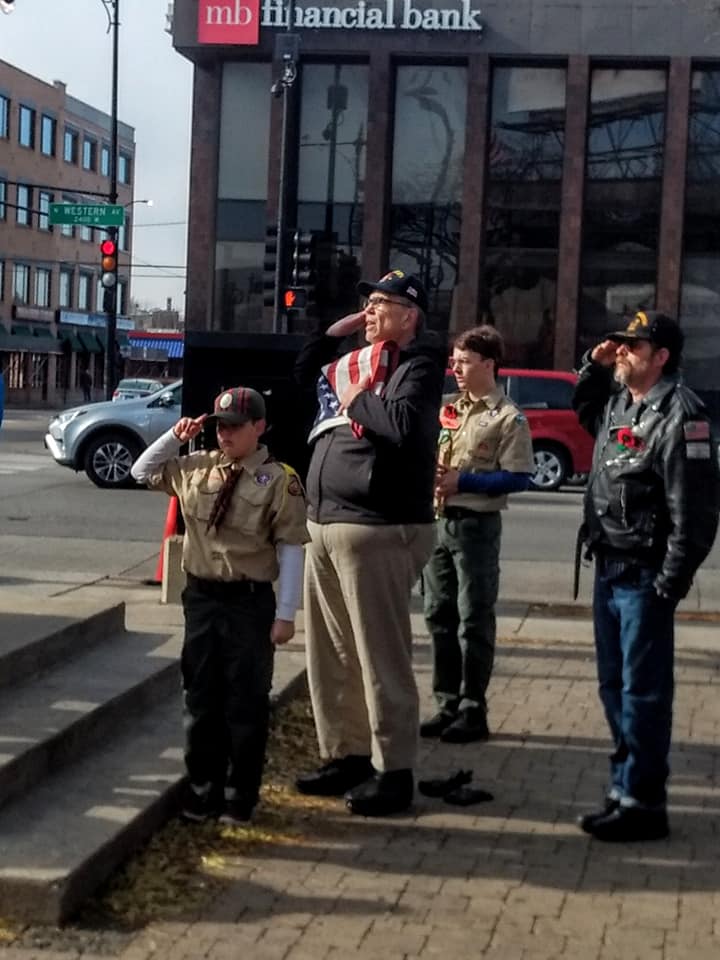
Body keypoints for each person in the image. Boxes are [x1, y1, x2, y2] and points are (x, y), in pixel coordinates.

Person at [294, 269, 446, 817]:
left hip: (379, 526)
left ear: (410, 316)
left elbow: (400, 424)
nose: (372, 312)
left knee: (380, 656)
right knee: (332, 654)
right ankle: (347, 754)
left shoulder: (419, 364)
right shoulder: (354, 361)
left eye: (383, 304)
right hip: (325, 522)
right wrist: (330, 335)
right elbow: (303, 377)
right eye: (370, 303)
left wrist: (357, 396)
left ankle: (394, 770)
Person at [573, 310, 720, 842]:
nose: (621, 352)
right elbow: (585, 408)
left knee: (644, 694)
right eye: (620, 344)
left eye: (632, 347)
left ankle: (644, 803)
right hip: (609, 566)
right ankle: (624, 788)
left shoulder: (683, 415)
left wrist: (669, 586)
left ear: (661, 357)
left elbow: (696, 514)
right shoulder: (621, 402)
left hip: (644, 575)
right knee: (614, 687)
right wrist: (592, 366)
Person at [130, 386, 308, 825]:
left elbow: (291, 548)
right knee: (200, 697)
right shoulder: (197, 466)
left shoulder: (278, 479)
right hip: (202, 599)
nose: (224, 435)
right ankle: (201, 789)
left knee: (245, 702)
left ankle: (238, 796)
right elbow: (140, 471)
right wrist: (175, 437)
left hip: (248, 602)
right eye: (219, 427)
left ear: (259, 427)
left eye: (235, 427)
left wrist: (287, 614)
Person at [421, 325, 534, 744]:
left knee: (473, 618)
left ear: (489, 364)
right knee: (438, 614)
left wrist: (463, 481)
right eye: (454, 362)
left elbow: (519, 477)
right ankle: (446, 703)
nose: (456, 369)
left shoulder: (507, 417)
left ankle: (473, 708)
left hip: (476, 526)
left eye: (465, 362)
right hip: (438, 521)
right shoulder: (447, 408)